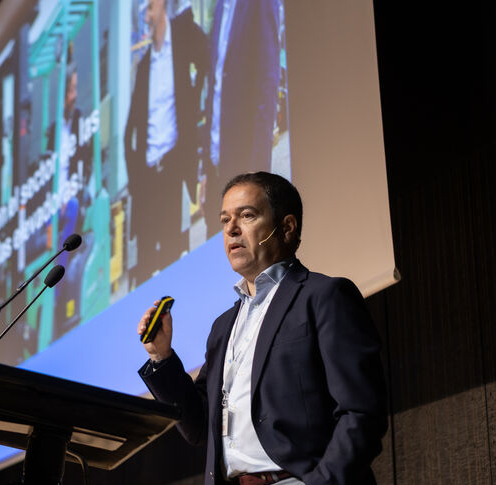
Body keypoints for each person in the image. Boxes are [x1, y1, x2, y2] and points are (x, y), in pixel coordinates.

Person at [137, 172, 387, 484]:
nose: (231, 229)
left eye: (247, 215)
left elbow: (361, 413)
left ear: (287, 227)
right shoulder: (222, 327)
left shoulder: (324, 297)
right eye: (225, 219)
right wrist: (161, 357)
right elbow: (199, 427)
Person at [124, 0, 208, 283]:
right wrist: (135, 181)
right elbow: (130, 129)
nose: (146, 17)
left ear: (161, 5)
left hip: (172, 168)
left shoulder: (183, 39)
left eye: (149, 9)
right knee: (146, 265)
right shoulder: (145, 66)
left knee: (174, 258)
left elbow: (208, 58)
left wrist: (194, 104)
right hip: (147, 179)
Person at [204, 0, 282, 232]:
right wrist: (205, 168)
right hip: (215, 168)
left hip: (243, 169)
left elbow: (267, 85)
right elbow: (215, 90)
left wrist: (259, 172)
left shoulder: (260, 4)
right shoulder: (220, 7)